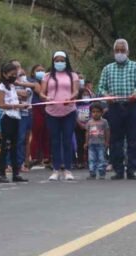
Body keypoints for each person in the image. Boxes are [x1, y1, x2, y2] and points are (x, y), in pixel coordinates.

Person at [98, 38, 136, 180]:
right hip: (114, 107)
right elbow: (101, 87)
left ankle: (132, 169)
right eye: (117, 50)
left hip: (132, 106)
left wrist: (135, 93)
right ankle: (118, 170)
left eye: (122, 50)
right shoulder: (107, 69)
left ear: (127, 51)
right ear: (113, 52)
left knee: (133, 139)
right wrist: (107, 96)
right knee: (115, 140)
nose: (120, 53)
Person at [40, 51, 79, 181]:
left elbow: (76, 91)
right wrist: (47, 98)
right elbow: (42, 93)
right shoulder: (47, 76)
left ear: (66, 61)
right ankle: (56, 169)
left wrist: (70, 98)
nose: (59, 63)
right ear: (53, 61)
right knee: (55, 141)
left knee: (67, 140)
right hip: (51, 112)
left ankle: (68, 169)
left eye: (62, 60)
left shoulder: (73, 75)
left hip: (69, 111)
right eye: (57, 60)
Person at [0, 62, 30, 183]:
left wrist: (21, 105)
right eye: (12, 74)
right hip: (7, 118)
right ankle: (2, 173)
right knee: (5, 146)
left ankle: (16, 173)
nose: (14, 76)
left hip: (16, 117)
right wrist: (17, 106)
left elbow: (16, 100)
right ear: (5, 74)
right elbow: (1, 104)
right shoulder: (2, 87)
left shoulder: (13, 86)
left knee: (15, 146)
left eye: (15, 74)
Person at [27, 64, 50, 168]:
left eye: (42, 70)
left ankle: (46, 157)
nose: (41, 72)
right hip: (36, 108)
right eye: (38, 70)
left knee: (46, 133)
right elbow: (40, 92)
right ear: (33, 72)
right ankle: (34, 157)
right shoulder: (30, 80)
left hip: (47, 108)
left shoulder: (47, 81)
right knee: (36, 133)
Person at [15, 67, 34, 172]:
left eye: (23, 74)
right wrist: (16, 93)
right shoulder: (10, 84)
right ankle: (14, 163)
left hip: (25, 115)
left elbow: (26, 95)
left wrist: (14, 92)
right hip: (14, 114)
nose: (22, 76)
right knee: (16, 139)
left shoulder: (27, 85)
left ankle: (22, 163)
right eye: (20, 74)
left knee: (24, 139)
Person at [84, 102, 109, 179]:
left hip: (101, 144)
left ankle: (102, 173)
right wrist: (86, 142)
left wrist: (107, 142)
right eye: (93, 112)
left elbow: (107, 131)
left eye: (98, 112)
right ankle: (92, 173)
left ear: (101, 112)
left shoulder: (104, 121)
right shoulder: (89, 122)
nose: (95, 114)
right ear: (91, 113)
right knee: (91, 159)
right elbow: (87, 132)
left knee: (101, 159)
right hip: (91, 144)